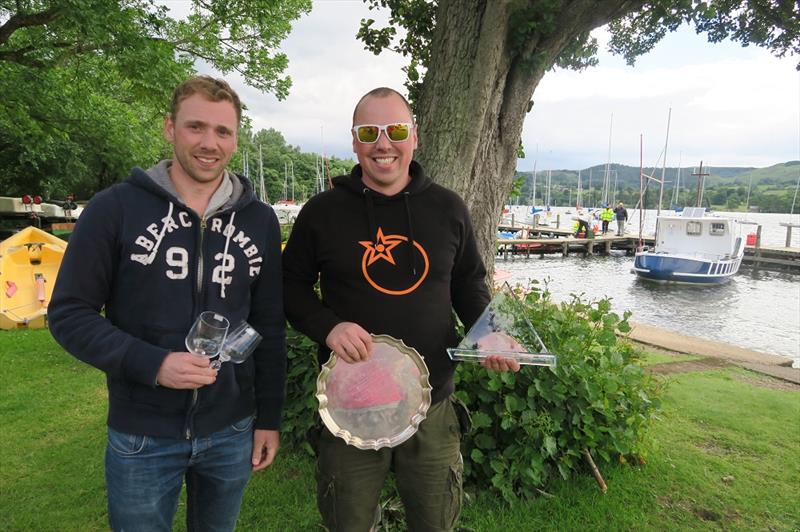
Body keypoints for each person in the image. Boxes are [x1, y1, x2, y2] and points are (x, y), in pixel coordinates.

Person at [48, 75, 287, 532]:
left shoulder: (258, 220)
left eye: (223, 131)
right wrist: (153, 363)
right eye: (195, 127)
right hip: (142, 432)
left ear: (236, 138)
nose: (209, 143)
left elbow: (268, 324)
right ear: (169, 128)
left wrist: (268, 419)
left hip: (231, 429)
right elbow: (69, 314)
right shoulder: (115, 208)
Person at [282, 87, 520, 531]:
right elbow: (289, 285)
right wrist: (326, 327)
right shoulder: (322, 212)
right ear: (354, 142)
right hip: (350, 403)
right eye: (369, 132)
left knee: (434, 522)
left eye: (394, 130)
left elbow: (469, 281)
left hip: (432, 404)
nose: (383, 144)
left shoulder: (448, 208)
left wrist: (488, 329)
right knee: (348, 524)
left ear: (414, 136)